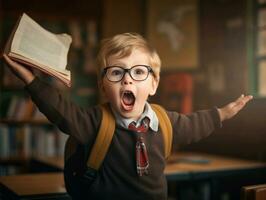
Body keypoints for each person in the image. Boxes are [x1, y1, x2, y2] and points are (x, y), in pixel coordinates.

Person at [3, 32, 253, 200]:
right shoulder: (94, 122)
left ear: (153, 85)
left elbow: (194, 124)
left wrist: (222, 113)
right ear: (103, 86)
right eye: (116, 73)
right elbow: (61, 111)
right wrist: (30, 80)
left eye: (139, 72)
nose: (127, 78)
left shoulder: (164, 121)